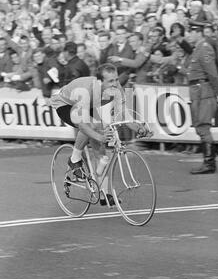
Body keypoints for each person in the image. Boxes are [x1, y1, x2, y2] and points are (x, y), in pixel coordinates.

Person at [50, 63, 149, 205]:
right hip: (65, 104)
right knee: (93, 127)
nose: (115, 83)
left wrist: (138, 128)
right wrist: (99, 136)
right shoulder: (87, 89)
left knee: (100, 149)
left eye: (116, 79)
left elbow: (123, 114)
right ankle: (74, 158)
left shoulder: (116, 88)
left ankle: (104, 195)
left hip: (89, 106)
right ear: (100, 82)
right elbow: (82, 124)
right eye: (110, 81)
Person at [187, 25, 218, 174]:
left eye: (191, 32)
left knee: (203, 126)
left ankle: (209, 163)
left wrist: (214, 93)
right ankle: (208, 161)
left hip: (204, 91)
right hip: (197, 91)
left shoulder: (204, 48)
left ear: (198, 33)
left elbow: (212, 74)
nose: (189, 35)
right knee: (200, 126)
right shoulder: (197, 49)